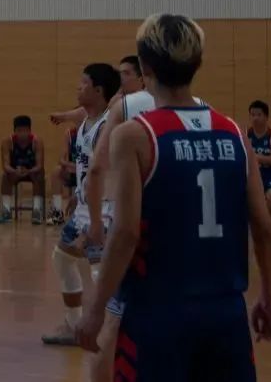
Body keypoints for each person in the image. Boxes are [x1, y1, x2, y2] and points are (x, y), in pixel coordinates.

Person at [76, 14, 271, 381]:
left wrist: (94, 308)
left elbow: (125, 233)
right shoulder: (235, 133)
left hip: (158, 315)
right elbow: (264, 229)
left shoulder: (134, 136)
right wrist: (268, 296)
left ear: (145, 67)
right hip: (226, 313)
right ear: (197, 64)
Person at [79, 64, 207, 381]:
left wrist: (94, 220)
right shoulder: (203, 109)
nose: (120, 78)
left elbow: (96, 169)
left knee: (112, 320)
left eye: (126, 72)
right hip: (183, 233)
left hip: (128, 222)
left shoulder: (126, 108)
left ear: (145, 73)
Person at [41, 63, 120, 347]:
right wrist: (79, 194)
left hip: (103, 210)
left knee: (101, 274)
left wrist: (96, 221)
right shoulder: (88, 119)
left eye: (83, 83)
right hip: (85, 206)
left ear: (98, 91)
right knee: (62, 258)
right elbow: (88, 168)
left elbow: (107, 175)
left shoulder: (108, 126)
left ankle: (111, 331)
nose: (78, 87)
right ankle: (74, 324)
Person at [0, 115, 45, 223]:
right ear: (14, 131)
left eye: (25, 131)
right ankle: (6, 209)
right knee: (5, 176)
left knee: (39, 175)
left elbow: (39, 165)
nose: (22, 134)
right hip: (15, 171)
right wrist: (15, 171)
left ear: (30, 131)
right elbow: (5, 165)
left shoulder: (37, 141)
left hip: (32, 171)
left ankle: (37, 210)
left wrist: (28, 171)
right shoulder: (7, 142)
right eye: (19, 131)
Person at [246, 100, 271, 223]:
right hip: (250, 175)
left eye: (259, 115)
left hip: (269, 175)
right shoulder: (245, 134)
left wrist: (254, 156)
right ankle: (266, 221)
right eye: (252, 115)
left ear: (266, 117)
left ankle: (261, 221)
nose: (255, 118)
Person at [48, 127, 79, 225]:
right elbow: (61, 159)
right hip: (73, 170)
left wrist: (80, 167)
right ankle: (57, 212)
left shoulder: (96, 130)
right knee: (57, 172)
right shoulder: (70, 133)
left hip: (87, 171)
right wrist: (69, 165)